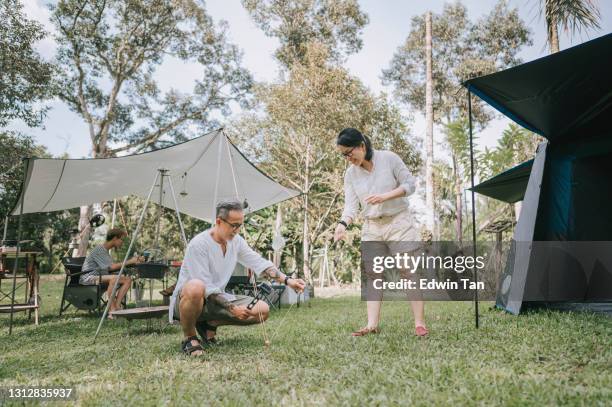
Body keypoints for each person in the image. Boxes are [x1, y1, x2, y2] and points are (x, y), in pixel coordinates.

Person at [170, 201, 306, 356]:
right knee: (196, 287)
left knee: (263, 310)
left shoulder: (236, 241)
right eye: (233, 225)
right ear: (219, 222)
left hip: (217, 299)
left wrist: (289, 281)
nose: (236, 230)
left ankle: (209, 324)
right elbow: (206, 287)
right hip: (189, 301)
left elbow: (259, 263)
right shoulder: (198, 244)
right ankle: (190, 338)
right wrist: (232, 309)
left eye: (240, 225)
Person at [333, 128, 428, 337]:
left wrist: (385, 197)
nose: (348, 159)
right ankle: (371, 325)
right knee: (373, 274)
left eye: (350, 152)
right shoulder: (350, 174)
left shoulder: (389, 159)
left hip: (398, 222)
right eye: (344, 155)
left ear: (361, 146)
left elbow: (410, 185)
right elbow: (351, 206)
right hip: (372, 226)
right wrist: (342, 224)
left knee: (408, 272)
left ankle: (419, 324)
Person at [80, 228, 142, 318]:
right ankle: (111, 311)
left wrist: (132, 263)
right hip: (89, 278)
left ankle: (116, 307)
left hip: (100, 276)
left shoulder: (105, 251)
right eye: (121, 239)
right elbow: (111, 267)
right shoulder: (99, 250)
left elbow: (110, 269)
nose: (122, 242)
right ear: (114, 238)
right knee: (114, 279)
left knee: (127, 279)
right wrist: (130, 261)